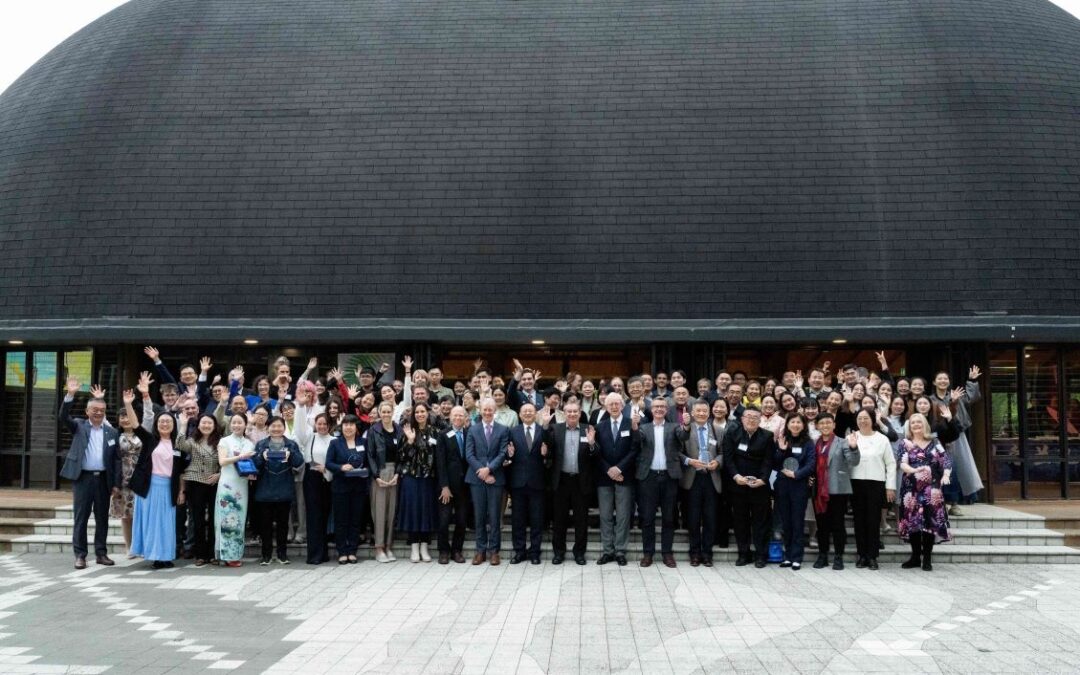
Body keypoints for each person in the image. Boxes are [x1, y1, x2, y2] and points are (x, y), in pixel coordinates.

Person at [58, 377, 121, 569]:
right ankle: (80, 555)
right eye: (95, 410)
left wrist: (116, 484)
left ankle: (101, 553)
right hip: (83, 478)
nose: (98, 413)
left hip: (103, 479)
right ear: (87, 411)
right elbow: (62, 417)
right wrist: (70, 394)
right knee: (81, 517)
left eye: (101, 411)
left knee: (102, 518)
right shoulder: (78, 426)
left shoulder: (111, 432)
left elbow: (116, 460)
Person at [130, 411, 191, 569]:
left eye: (168, 421)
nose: (165, 424)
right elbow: (135, 426)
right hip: (149, 487)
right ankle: (156, 557)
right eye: (161, 421)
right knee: (153, 523)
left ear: (173, 425)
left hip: (169, 488)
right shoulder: (150, 440)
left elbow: (181, 472)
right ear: (156, 424)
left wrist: (181, 491)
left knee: (167, 524)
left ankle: (165, 556)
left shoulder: (178, 444)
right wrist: (129, 404)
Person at [898, 412, 955, 571]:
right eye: (913, 423)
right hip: (911, 488)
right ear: (910, 426)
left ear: (925, 425)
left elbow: (946, 460)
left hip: (932, 489)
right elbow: (902, 464)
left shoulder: (934, 441)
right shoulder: (905, 443)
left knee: (930, 523)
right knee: (914, 523)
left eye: (919, 422)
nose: (916, 425)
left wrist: (946, 474)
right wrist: (915, 469)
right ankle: (915, 557)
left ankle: (927, 558)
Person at [722, 406, 773, 568]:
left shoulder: (767, 436)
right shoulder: (732, 433)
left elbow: (768, 461)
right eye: (748, 416)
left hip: (759, 486)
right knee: (740, 521)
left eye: (755, 417)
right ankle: (743, 554)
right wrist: (736, 476)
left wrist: (763, 479)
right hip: (738, 485)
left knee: (761, 522)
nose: (751, 420)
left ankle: (760, 555)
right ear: (742, 418)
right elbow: (728, 458)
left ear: (760, 420)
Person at [544, 400, 594, 565]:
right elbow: (547, 448)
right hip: (561, 481)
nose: (572, 414)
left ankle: (579, 553)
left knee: (581, 520)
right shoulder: (555, 429)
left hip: (581, 481)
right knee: (559, 520)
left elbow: (596, 455)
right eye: (569, 411)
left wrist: (592, 444)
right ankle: (559, 552)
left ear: (580, 413)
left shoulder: (589, 429)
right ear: (564, 413)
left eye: (575, 412)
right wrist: (544, 427)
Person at [929, 365, 984, 514]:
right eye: (939, 379)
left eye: (945, 378)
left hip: (956, 436)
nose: (942, 381)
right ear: (934, 382)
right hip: (936, 439)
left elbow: (972, 397)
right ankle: (939, 504)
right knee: (937, 471)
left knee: (955, 470)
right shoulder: (929, 400)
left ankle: (954, 503)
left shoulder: (955, 395)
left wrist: (972, 380)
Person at [847, 407, 896, 570]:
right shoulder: (851, 437)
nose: (862, 421)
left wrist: (890, 487)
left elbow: (891, 463)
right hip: (856, 483)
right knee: (859, 520)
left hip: (876, 484)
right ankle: (862, 555)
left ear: (873, 419)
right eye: (859, 418)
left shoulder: (882, 439)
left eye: (866, 418)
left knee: (873, 521)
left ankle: (873, 556)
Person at [636, 397, 682, 568]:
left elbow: (683, 436)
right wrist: (634, 426)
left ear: (667, 409)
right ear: (651, 409)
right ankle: (648, 553)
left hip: (669, 477)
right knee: (647, 518)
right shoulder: (643, 428)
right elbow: (635, 441)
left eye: (662, 406)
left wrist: (686, 425)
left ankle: (667, 553)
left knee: (669, 518)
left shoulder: (674, 427)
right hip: (648, 477)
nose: (659, 409)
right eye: (656, 406)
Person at [594, 392, 640, 566]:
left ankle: (620, 551)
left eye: (617, 404)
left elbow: (635, 449)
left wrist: (619, 468)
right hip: (604, 478)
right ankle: (608, 551)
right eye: (610, 404)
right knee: (605, 516)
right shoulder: (600, 426)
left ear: (622, 405)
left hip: (625, 476)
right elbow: (596, 453)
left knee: (622, 516)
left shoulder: (632, 424)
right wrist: (609, 470)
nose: (614, 407)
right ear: (605, 406)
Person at [252, 417, 305, 564]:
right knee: (265, 525)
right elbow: (254, 466)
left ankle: (282, 554)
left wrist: (291, 454)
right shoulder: (261, 444)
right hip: (265, 490)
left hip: (284, 489)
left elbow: (299, 462)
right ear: (268, 428)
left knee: (283, 525)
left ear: (284, 428)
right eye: (273, 426)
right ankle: (266, 555)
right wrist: (261, 457)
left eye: (279, 426)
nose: (276, 429)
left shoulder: (291, 444)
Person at [465, 397, 510, 565]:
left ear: (495, 411)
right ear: (481, 411)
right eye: (485, 409)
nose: (488, 412)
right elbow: (469, 454)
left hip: (496, 478)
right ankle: (480, 550)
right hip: (476, 479)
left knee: (494, 517)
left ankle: (494, 551)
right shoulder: (473, 429)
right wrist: (483, 472)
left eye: (490, 409)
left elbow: (502, 453)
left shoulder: (503, 430)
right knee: (479, 516)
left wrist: (489, 469)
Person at [112, 384, 155, 558]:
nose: (125, 419)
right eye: (121, 417)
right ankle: (129, 547)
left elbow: (150, 416)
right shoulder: (114, 436)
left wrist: (145, 396)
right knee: (126, 515)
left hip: (141, 477)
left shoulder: (142, 433)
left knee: (142, 514)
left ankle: (143, 546)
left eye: (127, 416)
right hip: (122, 479)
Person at [325, 414, 373, 564]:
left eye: (351, 424)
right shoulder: (335, 443)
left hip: (358, 487)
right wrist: (341, 467)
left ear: (356, 427)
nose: (348, 427)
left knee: (355, 519)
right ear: (342, 427)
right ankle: (342, 551)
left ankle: (352, 550)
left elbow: (369, 462)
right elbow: (328, 463)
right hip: (341, 487)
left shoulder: (363, 442)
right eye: (346, 424)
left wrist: (366, 470)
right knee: (341, 520)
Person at [772, 414, 816, 570]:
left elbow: (811, 464)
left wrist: (797, 474)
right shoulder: (782, 440)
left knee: (797, 522)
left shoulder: (808, 443)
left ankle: (797, 557)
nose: (796, 424)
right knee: (786, 522)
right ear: (788, 424)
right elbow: (775, 462)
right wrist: (782, 451)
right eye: (793, 422)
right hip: (783, 485)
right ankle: (787, 556)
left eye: (799, 422)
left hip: (799, 486)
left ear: (803, 425)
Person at [507, 403, 549, 564]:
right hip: (518, 483)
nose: (528, 413)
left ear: (535, 414)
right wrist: (508, 454)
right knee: (518, 520)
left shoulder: (543, 430)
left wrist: (546, 453)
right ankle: (519, 551)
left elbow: (550, 451)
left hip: (537, 482)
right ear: (519, 414)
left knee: (537, 520)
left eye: (530, 411)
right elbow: (508, 453)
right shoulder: (513, 431)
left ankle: (535, 552)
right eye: (524, 411)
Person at [177, 413, 222, 567]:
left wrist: (219, 474)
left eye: (210, 423)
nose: (206, 425)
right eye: (203, 422)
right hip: (195, 482)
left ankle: (213, 553)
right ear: (198, 425)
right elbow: (180, 445)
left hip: (214, 482)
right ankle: (200, 554)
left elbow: (225, 462)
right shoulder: (192, 441)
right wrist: (183, 425)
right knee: (198, 519)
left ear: (214, 425)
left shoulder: (220, 442)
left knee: (215, 519)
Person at [397, 403, 439, 563]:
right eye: (417, 412)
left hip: (429, 478)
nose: (420, 414)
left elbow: (437, 455)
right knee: (413, 511)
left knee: (426, 511)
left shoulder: (435, 432)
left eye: (423, 412)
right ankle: (414, 546)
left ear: (427, 414)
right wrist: (410, 441)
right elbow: (401, 457)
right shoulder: (407, 431)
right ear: (413, 414)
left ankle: (424, 547)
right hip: (411, 478)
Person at [215, 413, 255, 567]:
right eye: (234, 422)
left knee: (239, 518)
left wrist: (252, 473)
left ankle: (236, 553)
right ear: (230, 424)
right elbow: (222, 461)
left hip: (242, 485)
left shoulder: (249, 443)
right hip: (227, 484)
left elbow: (250, 464)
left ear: (245, 425)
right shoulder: (224, 441)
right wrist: (240, 457)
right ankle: (226, 555)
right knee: (226, 518)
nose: (237, 425)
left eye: (240, 422)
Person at [435, 406, 471, 564]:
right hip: (447, 486)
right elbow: (440, 462)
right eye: (455, 415)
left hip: (465, 486)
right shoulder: (443, 435)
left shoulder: (470, 433)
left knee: (462, 520)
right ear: (450, 417)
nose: (458, 418)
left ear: (465, 418)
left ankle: (457, 550)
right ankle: (443, 551)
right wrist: (444, 486)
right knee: (443, 520)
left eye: (461, 415)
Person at [368, 400, 403, 562]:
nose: (386, 414)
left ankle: (388, 546)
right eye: (384, 411)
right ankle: (379, 548)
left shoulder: (398, 430)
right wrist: (376, 476)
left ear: (393, 412)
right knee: (380, 512)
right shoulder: (373, 431)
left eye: (389, 411)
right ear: (379, 413)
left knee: (391, 511)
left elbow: (402, 454)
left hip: (394, 473)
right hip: (380, 473)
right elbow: (370, 455)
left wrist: (397, 474)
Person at [299, 412, 335, 565]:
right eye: (319, 423)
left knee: (325, 516)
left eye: (325, 424)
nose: (322, 427)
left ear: (329, 425)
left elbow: (336, 460)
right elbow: (300, 427)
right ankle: (314, 555)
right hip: (312, 479)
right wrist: (301, 406)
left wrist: (327, 471)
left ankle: (324, 553)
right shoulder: (310, 437)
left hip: (328, 479)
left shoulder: (334, 440)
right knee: (314, 517)